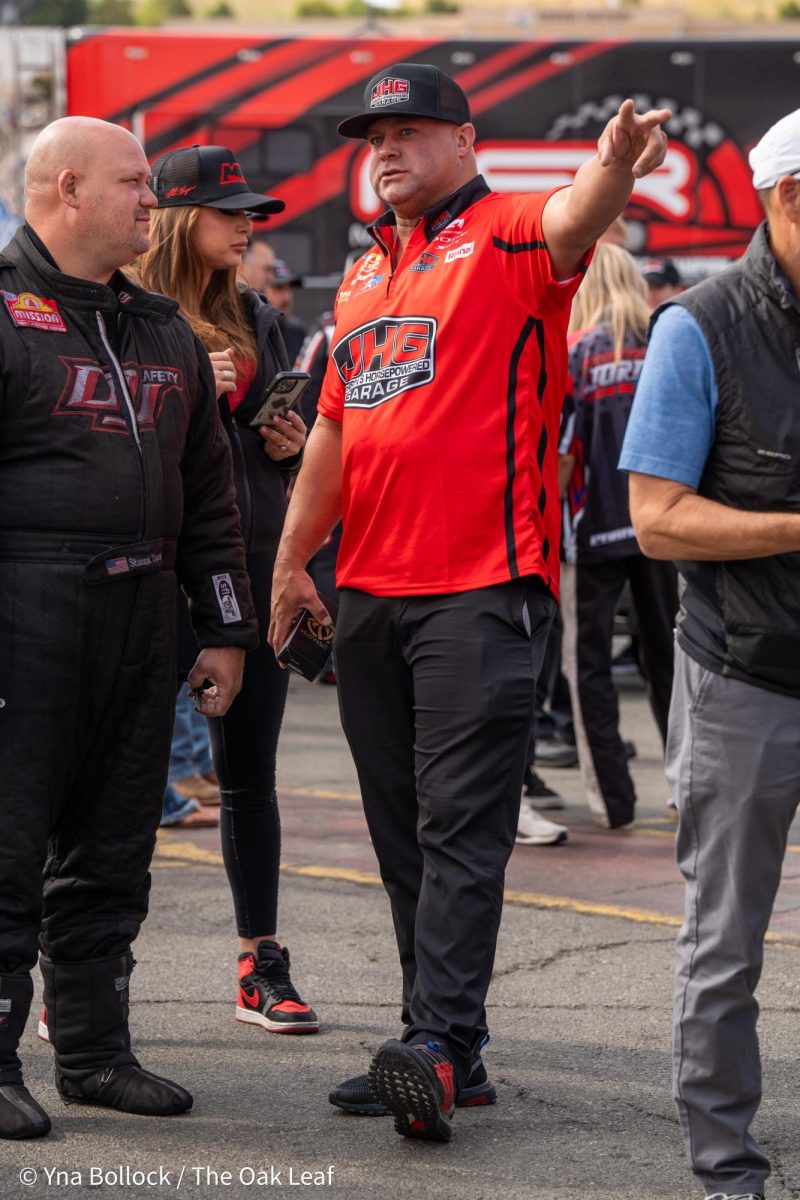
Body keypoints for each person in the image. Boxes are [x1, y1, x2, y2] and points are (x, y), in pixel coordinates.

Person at [269, 61, 670, 1143]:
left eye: (408, 130)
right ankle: (443, 1043)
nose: (385, 149)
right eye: (371, 137)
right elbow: (333, 437)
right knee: (401, 834)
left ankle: (437, 1049)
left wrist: (613, 170)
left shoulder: (504, 233)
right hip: (369, 594)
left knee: (459, 831)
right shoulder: (358, 281)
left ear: (462, 137)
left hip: (481, 592)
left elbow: (576, 214)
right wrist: (290, 558)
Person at [0, 117, 258, 1139]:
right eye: (134, 184)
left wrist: (226, 629)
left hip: (143, 614)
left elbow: (210, 494)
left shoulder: (161, 330)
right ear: (67, 190)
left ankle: (97, 1056)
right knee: (7, 850)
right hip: (24, 611)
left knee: (114, 849)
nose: (153, 203)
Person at [619, 106, 800, 1200]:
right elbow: (654, 519)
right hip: (742, 677)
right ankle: (725, 1165)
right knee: (725, 941)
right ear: (788, 197)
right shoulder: (698, 326)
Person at [136, 144, 318, 1036]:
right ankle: (87, 976)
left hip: (245, 569)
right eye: (231, 211)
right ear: (178, 218)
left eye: (252, 211)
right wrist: (174, 392)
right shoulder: (122, 311)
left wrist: (289, 439)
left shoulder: (253, 312)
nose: (248, 225)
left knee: (251, 777)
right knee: (114, 787)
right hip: (145, 575)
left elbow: (267, 441)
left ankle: (262, 962)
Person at [558, 243, 675, 830]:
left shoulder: (575, 352)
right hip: (664, 526)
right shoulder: (661, 346)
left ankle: (614, 802)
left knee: (589, 667)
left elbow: (559, 454)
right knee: (672, 658)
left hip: (591, 529)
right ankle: (688, 788)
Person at [266, 257, 306, 364]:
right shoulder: (248, 331)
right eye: (279, 288)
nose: (287, 297)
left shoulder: (296, 331)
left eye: (289, 289)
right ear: (261, 288)